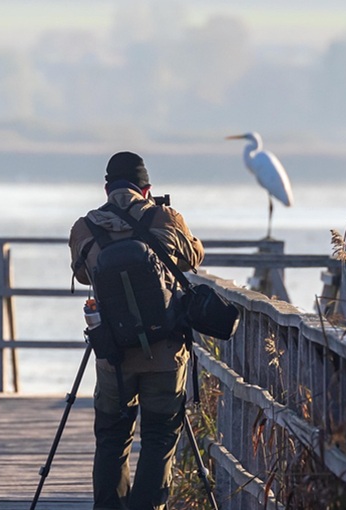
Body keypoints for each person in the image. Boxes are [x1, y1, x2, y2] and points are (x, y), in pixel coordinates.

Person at [69, 151, 205, 510]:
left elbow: (83, 274)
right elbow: (194, 258)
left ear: (106, 188)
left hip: (113, 352)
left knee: (112, 438)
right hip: (165, 350)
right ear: (147, 189)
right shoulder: (166, 217)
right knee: (160, 437)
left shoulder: (85, 227)